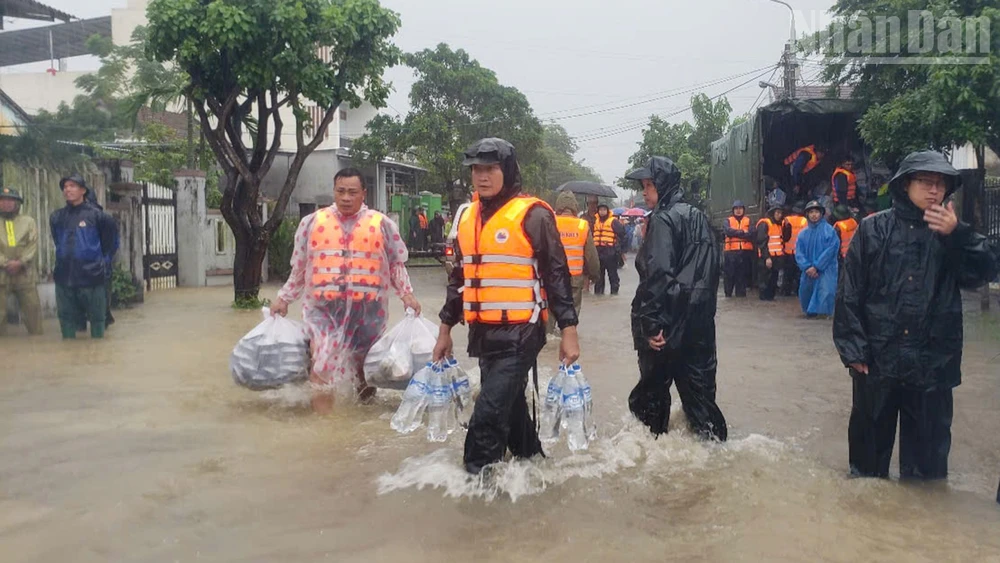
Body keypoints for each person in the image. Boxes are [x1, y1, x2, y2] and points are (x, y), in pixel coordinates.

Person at [834, 150, 998, 480]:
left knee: (928, 473)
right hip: (878, 360)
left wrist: (959, 235)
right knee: (866, 471)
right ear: (906, 184)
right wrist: (853, 351)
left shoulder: (953, 234)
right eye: (925, 181)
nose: (934, 190)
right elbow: (849, 293)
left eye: (940, 184)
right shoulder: (873, 230)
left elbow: (981, 273)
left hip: (932, 363)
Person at [432, 137, 580, 475]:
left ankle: (474, 488)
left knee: (486, 416)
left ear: (508, 170)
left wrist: (568, 331)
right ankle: (535, 466)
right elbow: (460, 279)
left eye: (490, 169)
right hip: (484, 334)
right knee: (510, 411)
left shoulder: (535, 214)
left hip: (522, 332)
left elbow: (557, 275)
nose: (482, 177)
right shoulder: (467, 216)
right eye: (476, 170)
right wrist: (444, 331)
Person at [270, 168, 421, 411]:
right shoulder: (312, 223)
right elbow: (299, 267)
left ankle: (362, 418)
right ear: (334, 192)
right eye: (341, 191)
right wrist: (283, 299)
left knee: (366, 371)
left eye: (352, 192)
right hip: (322, 310)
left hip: (368, 310)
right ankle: (325, 429)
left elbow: (395, 264)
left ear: (364, 193)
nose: (346, 198)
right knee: (322, 359)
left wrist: (406, 294)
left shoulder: (382, 224)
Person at [625, 156, 727, 441]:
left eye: (648, 185)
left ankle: (652, 456)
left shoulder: (663, 219)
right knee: (701, 401)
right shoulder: (700, 218)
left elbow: (658, 275)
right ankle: (714, 456)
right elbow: (709, 274)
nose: (644, 192)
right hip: (700, 326)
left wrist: (650, 325)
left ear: (663, 185)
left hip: (666, 327)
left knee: (650, 401)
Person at [50, 175, 119, 339]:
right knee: (66, 319)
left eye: (72, 186)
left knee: (97, 319)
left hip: (92, 277)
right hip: (64, 276)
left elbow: (110, 245)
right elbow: (58, 242)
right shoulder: (57, 217)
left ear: (83, 191)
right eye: (65, 187)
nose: (68, 189)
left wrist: (102, 265)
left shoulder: (99, 217)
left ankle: (98, 356)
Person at [547, 190, 600, 335]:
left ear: (558, 206)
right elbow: (591, 256)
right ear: (575, 207)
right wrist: (595, 275)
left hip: (552, 277)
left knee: (550, 311)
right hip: (575, 279)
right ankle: (568, 337)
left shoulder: (550, 222)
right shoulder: (582, 226)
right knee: (571, 313)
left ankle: (549, 337)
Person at [0, 187, 42, 336]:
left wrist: (21, 262)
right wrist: (5, 263)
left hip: (24, 273)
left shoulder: (28, 222)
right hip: (1, 273)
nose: (6, 204)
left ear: (18, 204)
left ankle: (37, 344)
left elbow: (33, 244)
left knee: (33, 311)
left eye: (10, 200)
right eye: (2, 200)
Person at [794, 200, 839, 318]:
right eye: (811, 212)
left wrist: (817, 266)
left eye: (816, 212)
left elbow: (831, 250)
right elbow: (799, 252)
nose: (814, 215)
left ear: (821, 214)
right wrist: (807, 267)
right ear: (807, 214)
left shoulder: (829, 231)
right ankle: (810, 311)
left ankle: (824, 313)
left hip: (825, 270)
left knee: (825, 290)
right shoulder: (803, 234)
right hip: (808, 271)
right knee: (806, 290)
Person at [722, 199, 754, 298]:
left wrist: (736, 233)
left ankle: (741, 295)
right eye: (736, 209)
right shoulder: (728, 220)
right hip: (730, 252)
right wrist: (742, 232)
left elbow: (752, 233)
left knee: (742, 276)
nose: (738, 210)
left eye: (740, 208)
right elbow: (728, 231)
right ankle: (728, 294)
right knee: (729, 275)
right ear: (733, 210)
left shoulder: (748, 220)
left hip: (744, 252)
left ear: (743, 210)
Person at [593, 204, 625, 295]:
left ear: (607, 211)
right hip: (598, 251)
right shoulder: (596, 222)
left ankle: (614, 293)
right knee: (598, 277)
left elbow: (622, 233)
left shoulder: (613, 221)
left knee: (612, 275)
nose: (602, 211)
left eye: (604, 210)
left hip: (610, 251)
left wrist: (618, 246)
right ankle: (598, 294)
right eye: (600, 210)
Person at [755, 205, 785, 301]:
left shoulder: (779, 224)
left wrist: (787, 227)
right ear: (772, 213)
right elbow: (761, 242)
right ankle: (764, 299)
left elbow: (784, 239)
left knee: (773, 281)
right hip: (766, 258)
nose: (779, 215)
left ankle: (770, 298)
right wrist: (767, 257)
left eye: (780, 213)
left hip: (776, 257)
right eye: (777, 213)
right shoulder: (765, 224)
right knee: (764, 281)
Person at [782, 205, 808, 296]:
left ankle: (786, 291)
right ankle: (797, 291)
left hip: (788, 251)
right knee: (799, 274)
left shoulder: (786, 219)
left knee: (787, 273)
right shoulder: (804, 221)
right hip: (799, 252)